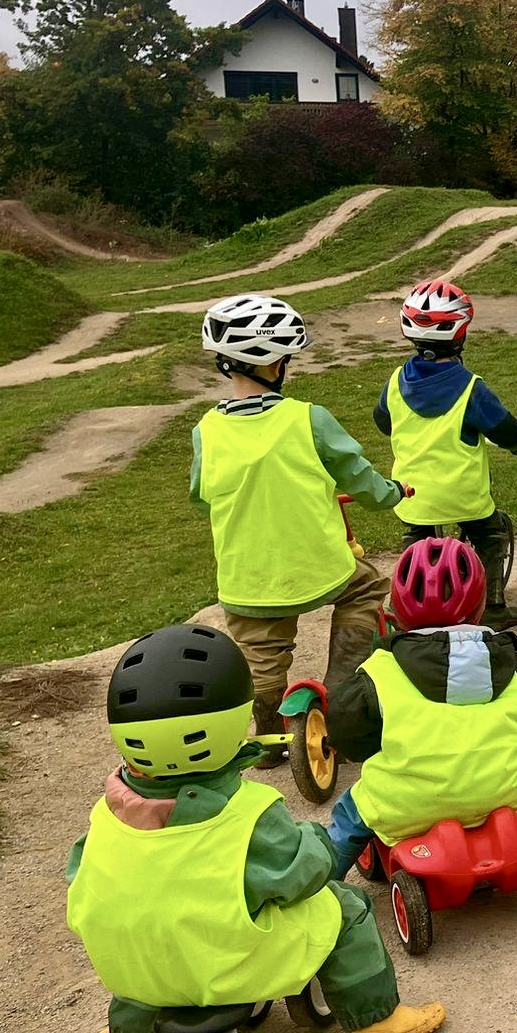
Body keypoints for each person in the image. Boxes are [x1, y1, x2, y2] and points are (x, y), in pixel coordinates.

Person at [66, 624, 446, 1033]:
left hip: (138, 973)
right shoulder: (247, 813)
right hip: (229, 964)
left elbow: (82, 876)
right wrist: (319, 844)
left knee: (147, 932)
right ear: (231, 720)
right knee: (344, 907)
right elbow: (299, 874)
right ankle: (373, 1021)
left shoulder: (105, 816)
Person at [192, 293, 405, 769]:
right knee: (366, 586)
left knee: (261, 652)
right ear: (276, 364)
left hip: (247, 579)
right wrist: (392, 494)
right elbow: (360, 479)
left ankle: (268, 733)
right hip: (319, 568)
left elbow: (200, 492)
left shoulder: (205, 431)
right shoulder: (309, 419)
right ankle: (340, 688)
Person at [325, 536, 517, 879]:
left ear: (397, 617)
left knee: (352, 812)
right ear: (480, 609)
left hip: (408, 805)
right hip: (508, 790)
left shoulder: (378, 673)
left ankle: (321, 882)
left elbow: (345, 734)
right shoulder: (513, 663)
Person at [375, 278, 517, 630]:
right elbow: (505, 429)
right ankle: (492, 606)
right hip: (463, 494)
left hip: (412, 494)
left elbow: (383, 422)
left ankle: (411, 604)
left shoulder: (395, 383)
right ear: (460, 334)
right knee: (490, 534)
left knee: (417, 538)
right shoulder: (472, 388)